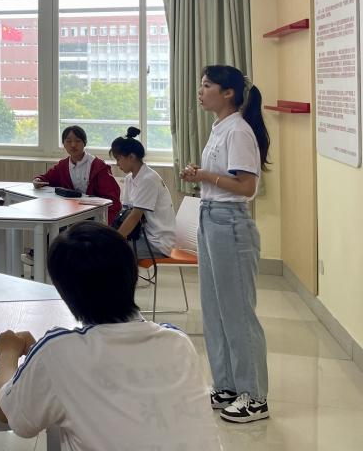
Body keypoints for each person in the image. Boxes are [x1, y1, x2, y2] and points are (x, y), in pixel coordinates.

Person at [0, 222, 221, 450]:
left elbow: (7, 412)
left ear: (65, 292)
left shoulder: (58, 351)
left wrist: (8, 352)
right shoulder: (178, 342)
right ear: (132, 273)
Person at [181, 64, 271, 423]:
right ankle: (227, 386)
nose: (200, 91)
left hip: (230, 223)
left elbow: (246, 187)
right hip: (210, 217)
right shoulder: (220, 127)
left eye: (207, 86)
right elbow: (223, 178)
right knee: (215, 309)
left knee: (238, 313)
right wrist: (201, 176)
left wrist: (204, 175)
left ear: (228, 92)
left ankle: (255, 396)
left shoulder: (238, 131)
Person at [109, 127, 176, 259]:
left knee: (107, 253)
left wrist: (114, 241)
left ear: (131, 157)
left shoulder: (148, 179)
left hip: (156, 243)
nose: (117, 164)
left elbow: (134, 216)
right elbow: (127, 212)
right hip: (140, 236)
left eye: (118, 159)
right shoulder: (130, 178)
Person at [34, 125, 121, 221]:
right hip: (69, 214)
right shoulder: (63, 165)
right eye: (68, 141)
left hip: (95, 216)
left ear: (85, 143)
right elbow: (46, 178)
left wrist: (104, 223)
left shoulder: (98, 166)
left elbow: (113, 200)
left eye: (78, 141)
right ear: (63, 144)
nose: (73, 145)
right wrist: (38, 180)